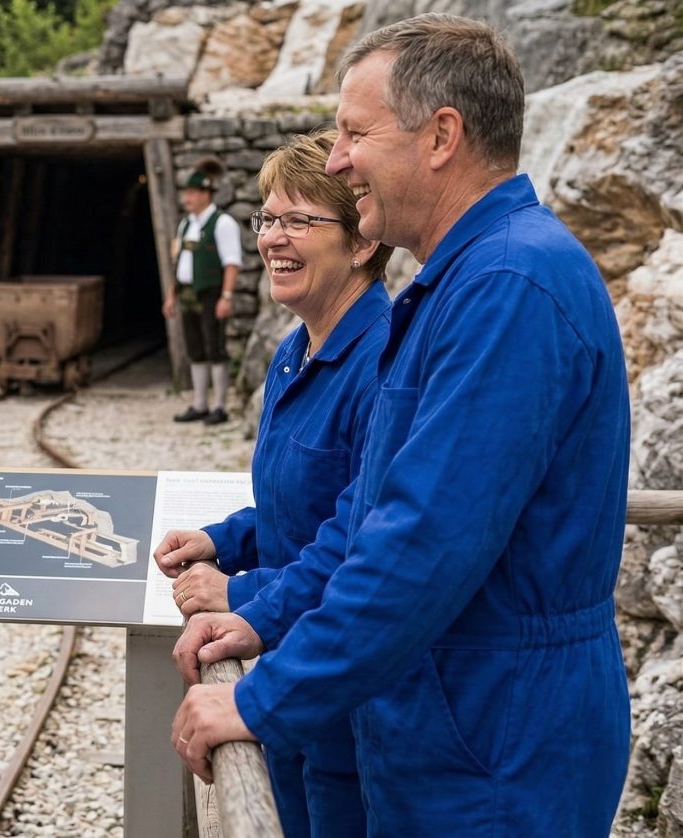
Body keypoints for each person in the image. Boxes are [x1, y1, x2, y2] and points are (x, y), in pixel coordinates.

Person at [170, 14, 631, 834]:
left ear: (441, 135)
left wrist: (265, 697)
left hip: (497, 745)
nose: (338, 159)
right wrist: (260, 618)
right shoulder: (463, 282)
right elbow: (368, 512)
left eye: (354, 132)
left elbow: (424, 540)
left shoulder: (508, 288)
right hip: (452, 723)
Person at [153, 129, 390, 837]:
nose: (272, 239)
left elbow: (360, 537)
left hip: (345, 691)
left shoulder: (380, 363)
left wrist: (238, 592)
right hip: (291, 666)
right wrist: (223, 537)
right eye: (267, 218)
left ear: (362, 243)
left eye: (299, 221)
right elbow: (300, 504)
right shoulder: (296, 350)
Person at [162, 157, 243, 426]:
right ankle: (199, 403)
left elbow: (231, 262)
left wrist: (226, 296)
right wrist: (172, 295)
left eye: (193, 193)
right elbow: (178, 262)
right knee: (195, 348)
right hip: (187, 293)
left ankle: (219, 406)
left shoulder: (222, 223)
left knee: (215, 347)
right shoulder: (186, 225)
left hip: (211, 292)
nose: (188, 197)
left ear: (207, 194)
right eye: (187, 193)